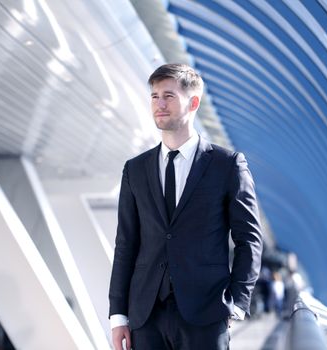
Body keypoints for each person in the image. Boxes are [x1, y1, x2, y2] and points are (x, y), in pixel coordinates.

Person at [108, 63, 263, 350]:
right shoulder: (135, 169)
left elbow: (249, 239)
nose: (159, 104)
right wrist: (118, 315)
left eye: (169, 96)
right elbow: (126, 243)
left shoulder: (226, 165)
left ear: (193, 103)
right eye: (154, 96)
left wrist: (237, 302)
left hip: (206, 314)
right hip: (146, 316)